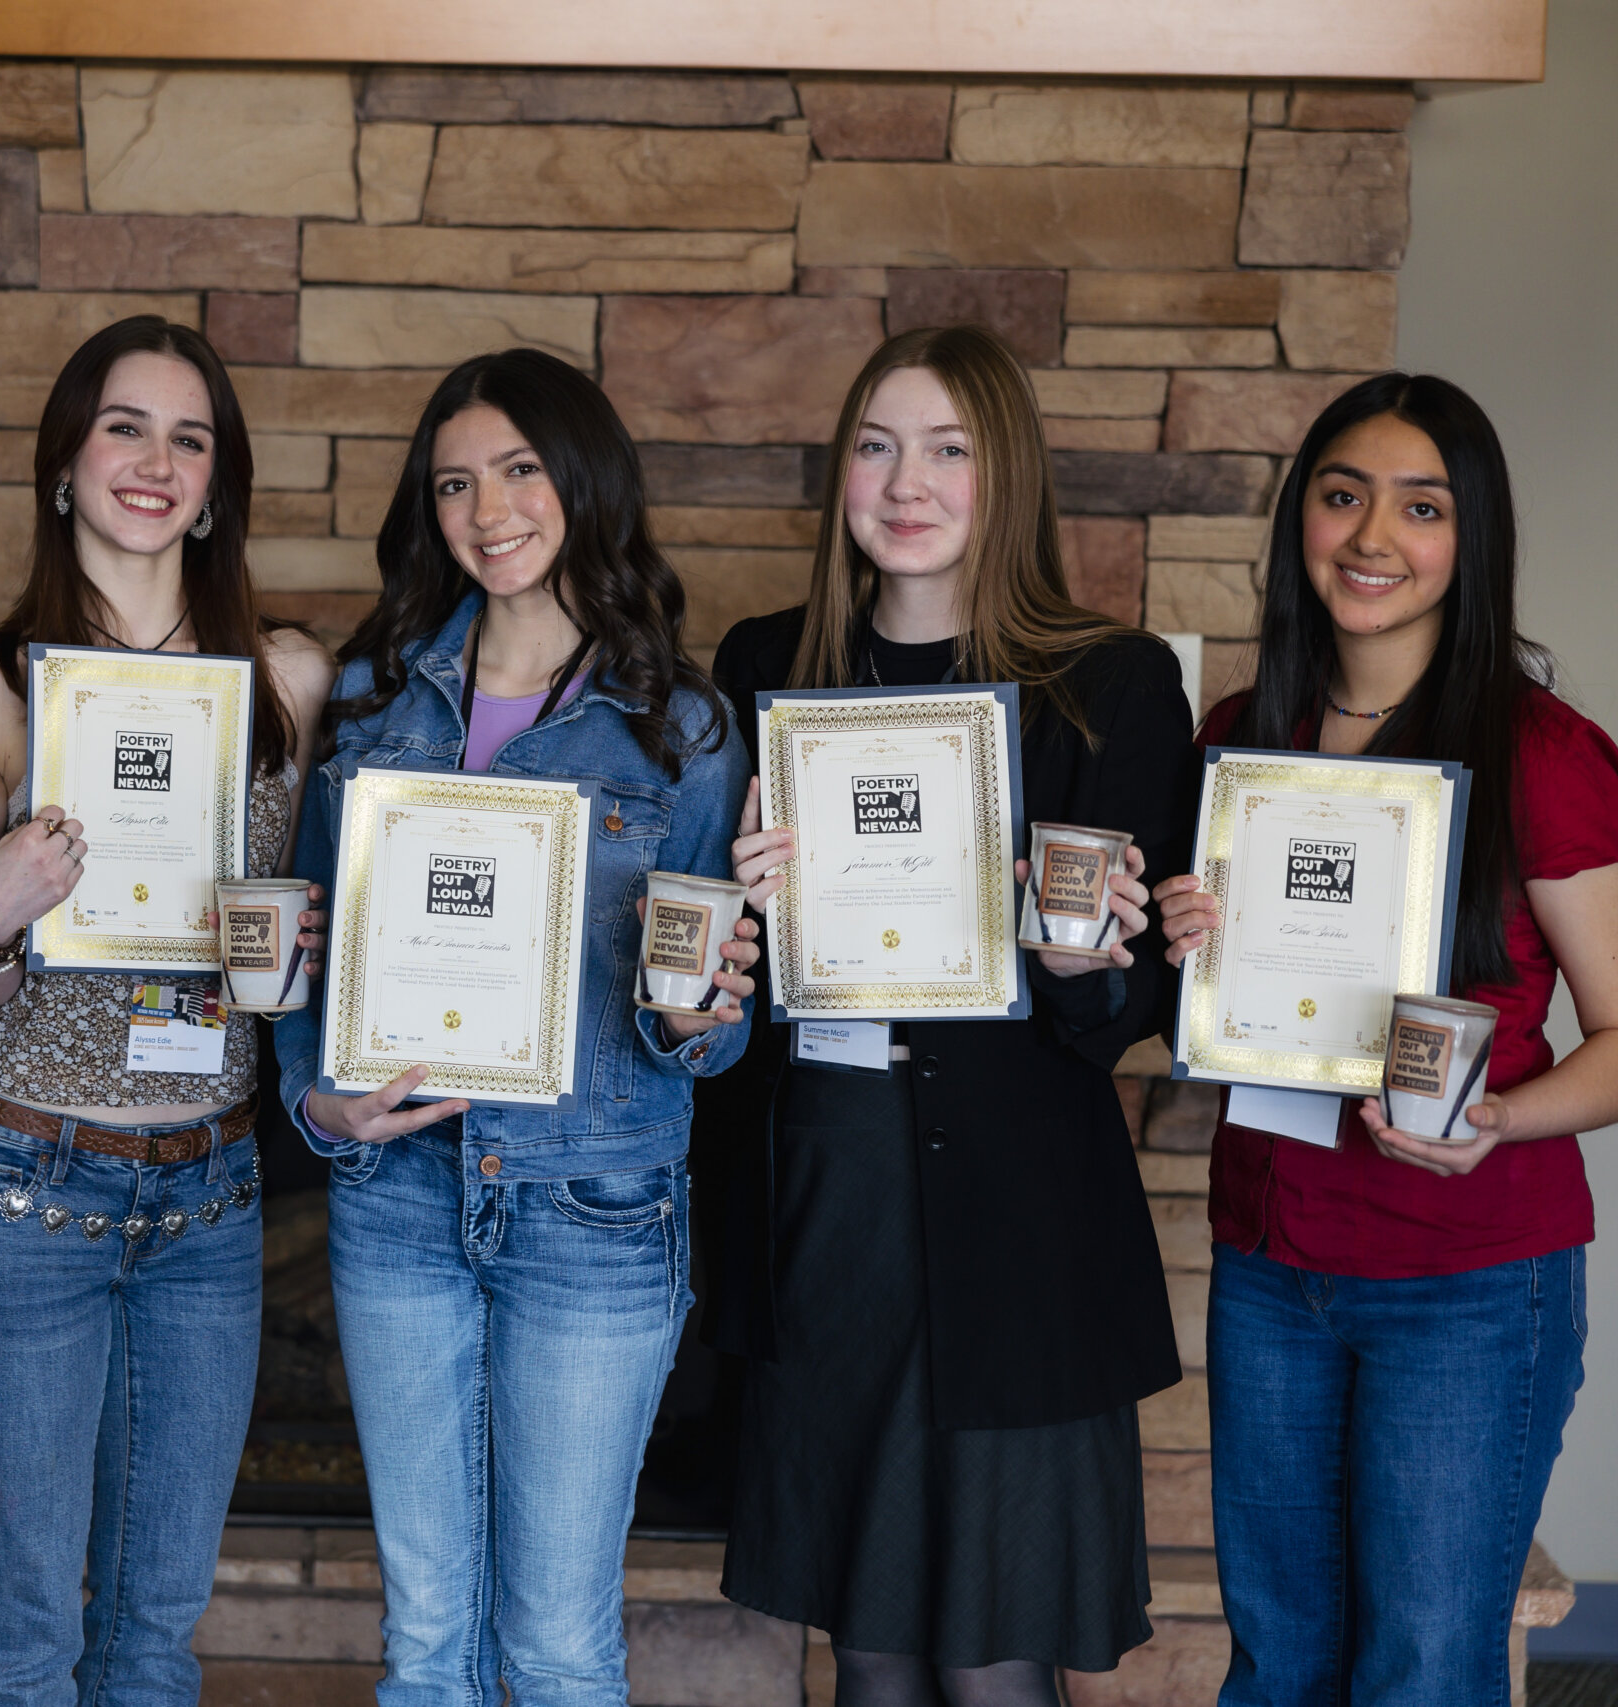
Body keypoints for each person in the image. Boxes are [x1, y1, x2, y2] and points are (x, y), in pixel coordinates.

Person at [702, 325, 1189, 1705]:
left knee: (993, 1666)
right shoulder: (759, 666)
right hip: (825, 1217)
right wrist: (732, 910)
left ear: (1007, 476)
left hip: (1017, 1233)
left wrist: (1085, 948)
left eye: (948, 450)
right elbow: (702, 984)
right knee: (866, 1656)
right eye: (875, 446)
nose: (905, 482)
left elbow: (1131, 1012)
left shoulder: (1108, 683)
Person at [272, 348, 756, 1707]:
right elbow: (303, 952)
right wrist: (321, 1102)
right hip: (398, 1207)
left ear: (584, 479)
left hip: (594, 1211)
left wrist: (691, 1010)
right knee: (427, 1647)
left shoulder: (686, 731)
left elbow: (715, 1030)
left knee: (553, 1648)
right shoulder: (370, 705)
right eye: (455, 484)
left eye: (522, 470)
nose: (489, 510)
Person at [1152, 373, 1618, 1707]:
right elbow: (1224, 1002)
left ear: (1472, 540)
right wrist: (1186, 941)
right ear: (1302, 514)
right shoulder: (1241, 739)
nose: (1373, 536)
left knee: (1421, 1668)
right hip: (1270, 1264)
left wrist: (1503, 1120)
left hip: (1468, 1286)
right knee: (1281, 1658)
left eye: (1423, 507)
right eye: (1343, 494)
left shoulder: (1545, 755)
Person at [0, 314, 334, 1706]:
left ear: (217, 486)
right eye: (124, 426)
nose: (155, 462)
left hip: (212, 1197)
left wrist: (305, 959)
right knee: (30, 1630)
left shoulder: (289, 679)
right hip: (26, 1186)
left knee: (156, 1631)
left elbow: (298, 943)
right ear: (64, 463)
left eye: (190, 437)